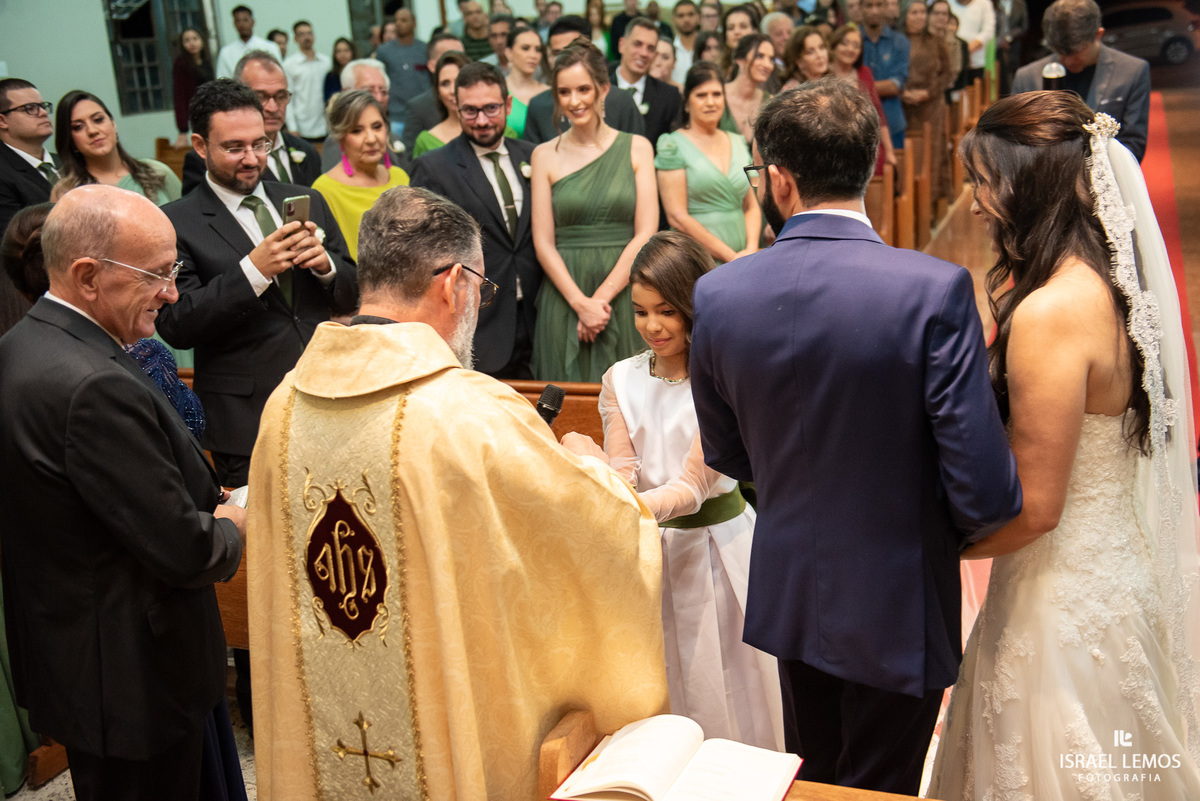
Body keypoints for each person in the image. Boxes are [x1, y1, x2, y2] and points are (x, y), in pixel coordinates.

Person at [246, 184, 669, 801]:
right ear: (454, 284)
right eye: (482, 288)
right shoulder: (469, 412)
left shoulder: (283, 408)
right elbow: (598, 537)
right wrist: (593, 470)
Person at [689, 78, 1022, 794]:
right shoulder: (930, 290)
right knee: (885, 785)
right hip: (899, 592)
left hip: (786, 585)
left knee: (817, 776)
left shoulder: (719, 294)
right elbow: (984, 485)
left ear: (778, 179)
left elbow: (725, 451)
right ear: (874, 164)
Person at [927, 91, 1200, 801]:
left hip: (1058, 603)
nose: (977, 200)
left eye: (986, 179)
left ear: (1034, 183)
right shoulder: (1110, 285)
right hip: (1114, 577)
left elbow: (1040, 505)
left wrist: (929, 545)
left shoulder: (1051, 312)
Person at [0, 183, 246, 801]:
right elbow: (182, 547)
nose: (171, 293)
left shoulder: (22, 344)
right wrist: (236, 521)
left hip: (80, 657)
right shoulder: (92, 384)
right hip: (133, 676)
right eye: (157, 275)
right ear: (87, 276)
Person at [575, 231, 782, 748]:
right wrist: (590, 466)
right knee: (664, 680)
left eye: (666, 310)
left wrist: (623, 507)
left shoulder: (722, 376)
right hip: (651, 554)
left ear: (694, 303)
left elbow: (692, 488)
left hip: (718, 547)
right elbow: (623, 471)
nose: (652, 326)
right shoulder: (620, 378)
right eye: (641, 312)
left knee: (729, 684)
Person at [158, 77, 357, 489]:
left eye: (260, 144)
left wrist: (326, 267)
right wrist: (253, 271)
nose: (251, 158)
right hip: (248, 420)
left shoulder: (306, 197)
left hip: (330, 397)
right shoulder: (176, 222)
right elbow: (178, 323)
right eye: (234, 148)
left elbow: (354, 291)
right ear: (200, 146)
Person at [530, 40, 658, 382]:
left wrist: (599, 301)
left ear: (603, 89)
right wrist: (579, 304)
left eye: (583, 89)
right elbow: (543, 242)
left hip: (624, 289)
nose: (574, 101)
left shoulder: (638, 148)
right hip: (565, 296)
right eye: (564, 92)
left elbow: (646, 232)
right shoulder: (544, 155)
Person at [409, 62, 540, 379]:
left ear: (508, 105)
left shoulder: (534, 156)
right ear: (455, 106)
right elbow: (428, 256)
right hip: (482, 327)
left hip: (540, 318)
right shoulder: (434, 167)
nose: (481, 121)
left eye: (491, 109)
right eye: (470, 111)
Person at [1012, 0, 1150, 161]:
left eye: (1076, 52)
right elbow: (1015, 144)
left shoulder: (1132, 71)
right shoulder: (1027, 77)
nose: (1068, 61)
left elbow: (1133, 145)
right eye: (1060, 53)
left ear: (1098, 34)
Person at [656, 62, 758, 263]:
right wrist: (732, 257)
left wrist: (751, 250)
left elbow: (751, 206)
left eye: (717, 94)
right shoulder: (672, 144)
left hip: (744, 256)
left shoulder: (737, 141)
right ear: (686, 103)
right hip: (697, 258)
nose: (710, 102)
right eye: (701, 95)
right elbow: (677, 216)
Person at [182, 51, 321, 194]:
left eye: (280, 96)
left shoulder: (306, 150)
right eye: (260, 97)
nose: (272, 108)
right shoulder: (207, 159)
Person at [312, 90, 410, 260]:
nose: (371, 138)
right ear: (340, 137)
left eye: (377, 127)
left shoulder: (400, 177)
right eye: (357, 131)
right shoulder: (324, 191)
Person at [522, 16, 648, 144]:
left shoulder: (620, 102)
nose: (562, 60)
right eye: (556, 53)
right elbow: (531, 159)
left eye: (571, 51)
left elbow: (635, 152)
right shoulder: (538, 107)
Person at [51, 91, 180, 207]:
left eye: (98, 120)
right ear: (70, 139)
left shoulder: (156, 172)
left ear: (113, 123)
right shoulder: (65, 192)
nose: (92, 131)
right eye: (78, 127)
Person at [901, 1, 951, 209]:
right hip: (903, 104)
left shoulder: (937, 42)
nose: (920, 17)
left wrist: (929, 93)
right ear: (905, 15)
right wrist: (903, 92)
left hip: (930, 107)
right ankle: (907, 206)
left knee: (931, 153)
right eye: (915, 12)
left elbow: (947, 74)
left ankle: (928, 206)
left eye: (923, 12)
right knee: (907, 155)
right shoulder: (898, 40)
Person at [319, 58, 405, 171]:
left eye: (383, 91)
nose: (379, 98)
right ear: (346, 92)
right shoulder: (337, 141)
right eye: (369, 91)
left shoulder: (395, 139)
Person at [611, 17, 683, 150]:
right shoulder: (599, 88)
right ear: (621, 45)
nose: (644, 53)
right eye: (637, 44)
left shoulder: (669, 96)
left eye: (650, 48)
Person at [0, 79, 57, 238]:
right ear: (2, 121)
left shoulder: (65, 162)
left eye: (43, 106)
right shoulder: (3, 175)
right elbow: (14, 243)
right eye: (29, 108)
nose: (43, 113)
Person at [412, 51, 497, 158]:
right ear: (437, 91)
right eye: (445, 84)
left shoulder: (497, 131)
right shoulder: (425, 142)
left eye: (459, 81)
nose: (452, 90)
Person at [399, 32, 465, 158]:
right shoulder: (419, 107)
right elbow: (412, 161)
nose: (452, 90)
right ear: (432, 65)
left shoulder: (489, 123)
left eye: (461, 56)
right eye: (445, 84)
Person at [861, 0, 909, 150]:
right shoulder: (851, 41)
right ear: (860, 8)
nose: (874, 11)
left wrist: (858, 87)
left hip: (892, 121)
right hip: (859, 125)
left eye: (879, 5)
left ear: (885, 7)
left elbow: (896, 85)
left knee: (896, 172)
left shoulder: (900, 41)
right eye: (869, 5)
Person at [375, 7, 427, 139]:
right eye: (396, 20)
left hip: (422, 115)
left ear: (414, 23)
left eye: (403, 20)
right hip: (395, 116)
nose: (398, 23)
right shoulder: (384, 51)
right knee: (398, 155)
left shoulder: (425, 49)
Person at [283, 21, 332, 141]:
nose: (306, 37)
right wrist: (292, 127)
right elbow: (288, 98)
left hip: (326, 126)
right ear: (295, 39)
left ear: (314, 36)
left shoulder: (326, 62)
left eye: (309, 33)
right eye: (302, 34)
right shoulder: (289, 65)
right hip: (302, 128)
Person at [723, 33, 774, 143]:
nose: (768, 65)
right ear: (740, 60)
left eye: (771, 59)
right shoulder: (717, 95)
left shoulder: (770, 103)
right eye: (759, 56)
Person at [172, 27, 215, 149]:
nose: (192, 43)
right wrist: (183, 129)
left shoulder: (206, 61)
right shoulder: (181, 64)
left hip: (210, 110)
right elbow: (179, 96)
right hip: (194, 112)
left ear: (202, 40)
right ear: (182, 44)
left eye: (195, 39)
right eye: (187, 40)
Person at [216, 4, 282, 79]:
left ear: (253, 22)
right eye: (238, 21)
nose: (242, 24)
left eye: (245, 20)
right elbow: (222, 80)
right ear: (234, 23)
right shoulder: (226, 52)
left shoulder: (269, 47)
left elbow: (278, 75)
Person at [504, 24, 548, 138]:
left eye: (538, 50)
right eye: (525, 48)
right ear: (508, 53)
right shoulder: (496, 91)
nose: (533, 55)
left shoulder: (550, 94)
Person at [948, 0, 993, 85]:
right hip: (950, 61)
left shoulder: (984, 3)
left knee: (972, 92)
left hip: (975, 61)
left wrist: (965, 50)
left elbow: (988, 31)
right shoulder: (947, 2)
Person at [781, 24, 829, 89]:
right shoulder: (793, 90)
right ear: (799, 61)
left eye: (821, 47)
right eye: (810, 52)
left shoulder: (831, 82)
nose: (819, 55)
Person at [995, 0, 1027, 95]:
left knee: (1013, 72)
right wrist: (999, 41)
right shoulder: (993, 3)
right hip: (995, 46)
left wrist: (1008, 38)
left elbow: (1024, 26)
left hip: (1014, 44)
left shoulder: (1020, 4)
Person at [721, 4, 759, 76]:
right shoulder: (716, 69)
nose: (737, 32)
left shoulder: (766, 66)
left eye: (743, 26)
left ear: (755, 31)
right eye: (731, 28)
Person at [671, 0, 701, 83]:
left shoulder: (708, 48)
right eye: (681, 16)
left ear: (698, 17)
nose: (686, 19)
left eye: (690, 14)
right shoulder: (669, 51)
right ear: (674, 20)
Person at [323, 37, 357, 103]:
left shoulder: (359, 72)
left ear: (352, 52)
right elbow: (327, 100)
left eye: (346, 50)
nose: (342, 55)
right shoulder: (331, 76)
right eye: (338, 51)